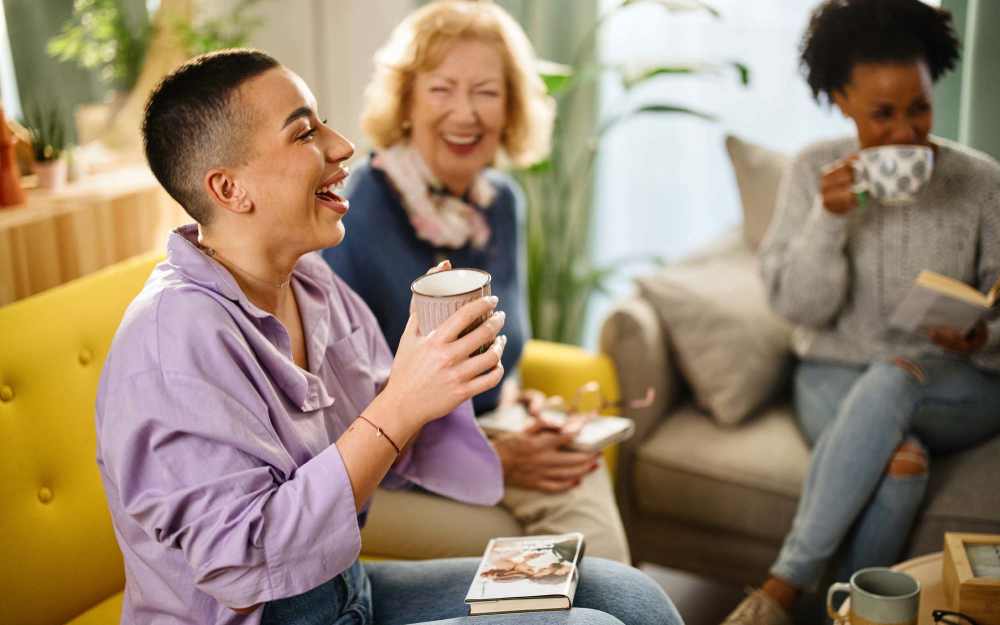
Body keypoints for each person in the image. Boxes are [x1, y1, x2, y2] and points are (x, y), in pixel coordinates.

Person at [96, 48, 683, 625]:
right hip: (262, 614)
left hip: (345, 590)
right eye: (304, 134)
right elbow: (244, 563)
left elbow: (387, 424)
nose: (341, 145)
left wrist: (442, 372)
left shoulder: (311, 281)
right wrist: (402, 402)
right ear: (229, 190)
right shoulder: (169, 343)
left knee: (628, 597)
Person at [321, 0, 630, 563]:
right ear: (406, 101)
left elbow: (500, 363)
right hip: (384, 470)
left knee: (579, 481)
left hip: (481, 441)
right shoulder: (355, 212)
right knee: (564, 546)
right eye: (442, 89)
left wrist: (519, 409)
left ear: (511, 109)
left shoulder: (501, 203)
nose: (465, 113)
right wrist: (497, 455)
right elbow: (343, 413)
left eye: (487, 92)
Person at [721, 2, 1000, 625]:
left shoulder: (981, 184)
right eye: (882, 113)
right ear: (841, 101)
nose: (906, 133)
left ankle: (783, 586)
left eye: (919, 108)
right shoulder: (812, 173)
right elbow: (797, 307)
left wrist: (982, 334)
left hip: (959, 382)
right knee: (902, 468)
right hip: (835, 374)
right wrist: (830, 222)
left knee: (898, 372)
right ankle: (845, 615)